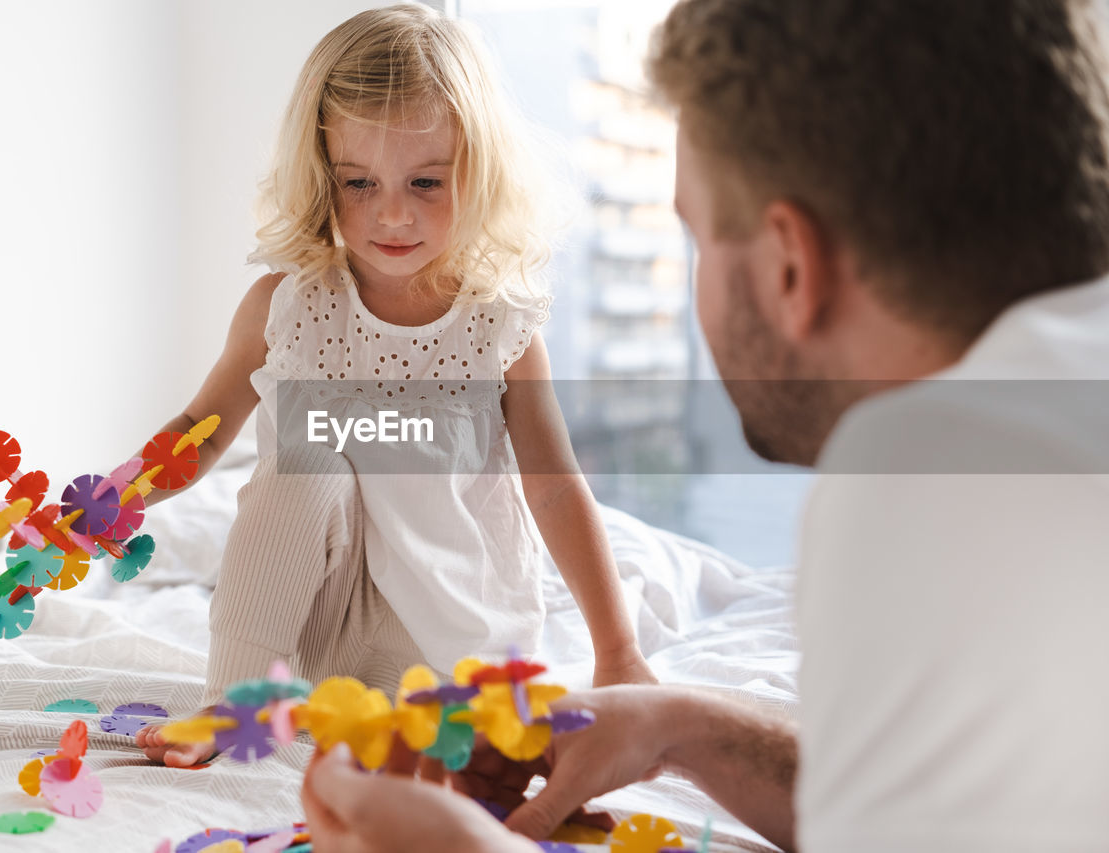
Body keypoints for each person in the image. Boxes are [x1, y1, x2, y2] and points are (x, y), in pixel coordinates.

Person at [298, 0, 1109, 850]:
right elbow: (950, 804)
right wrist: (681, 726)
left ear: (791, 263)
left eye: (697, 236)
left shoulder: (934, 470)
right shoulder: (1049, 416)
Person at [136, 3, 656, 767]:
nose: (391, 213)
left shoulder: (498, 326)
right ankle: (234, 706)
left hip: (453, 637)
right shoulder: (289, 306)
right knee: (301, 461)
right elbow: (201, 427)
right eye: (358, 180)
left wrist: (616, 650)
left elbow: (554, 487)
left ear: (477, 172)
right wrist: (113, 499)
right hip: (322, 639)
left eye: (424, 181)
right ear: (321, 173)